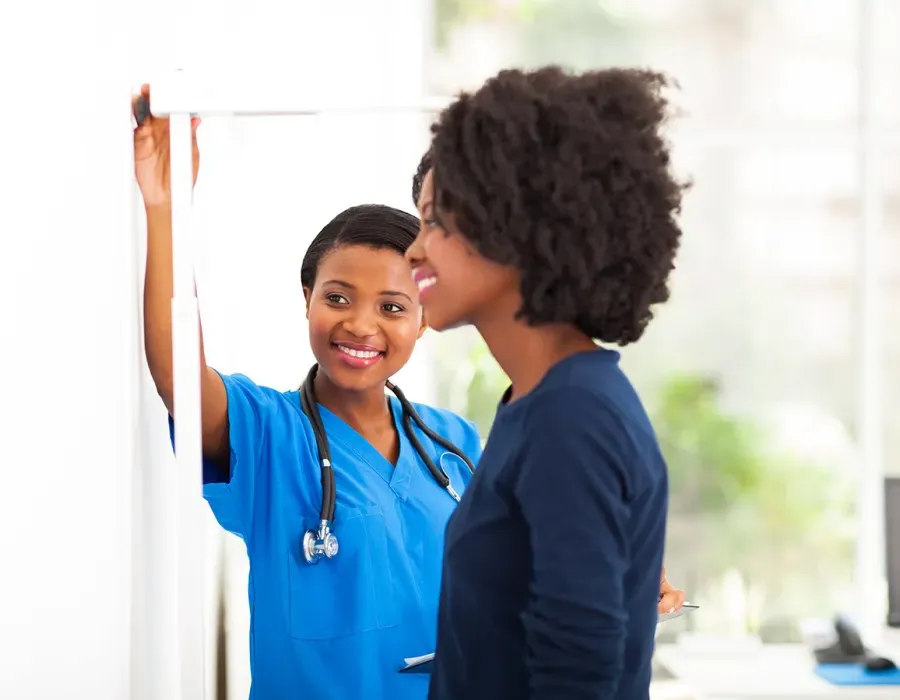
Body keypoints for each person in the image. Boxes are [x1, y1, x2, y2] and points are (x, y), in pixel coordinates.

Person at [133, 85, 483, 700]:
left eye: (393, 307)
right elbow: (177, 374)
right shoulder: (266, 432)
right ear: (307, 300)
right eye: (337, 297)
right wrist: (166, 210)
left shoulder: (456, 443)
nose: (360, 325)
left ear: (424, 318)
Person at [406, 67, 686, 700]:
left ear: (516, 221)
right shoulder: (541, 402)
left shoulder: (572, 416)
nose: (414, 251)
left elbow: (577, 675)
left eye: (436, 222)